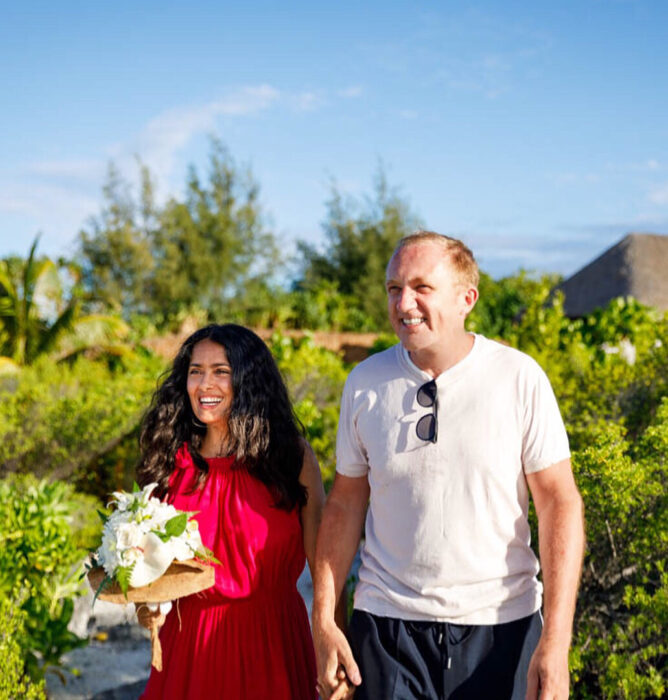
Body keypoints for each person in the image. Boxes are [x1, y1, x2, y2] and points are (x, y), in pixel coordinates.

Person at [312, 231, 585, 700]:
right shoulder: (365, 382)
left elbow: (560, 504)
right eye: (394, 288)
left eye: (422, 287)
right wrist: (323, 621)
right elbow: (343, 504)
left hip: (501, 626)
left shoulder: (518, 378)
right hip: (386, 629)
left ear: (466, 299)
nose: (404, 303)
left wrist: (556, 643)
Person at [135, 323, 325, 700]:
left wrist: (334, 637)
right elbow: (151, 570)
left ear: (248, 379)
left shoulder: (291, 457)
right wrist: (146, 606)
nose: (205, 384)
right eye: (196, 372)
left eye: (221, 371)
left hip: (273, 644)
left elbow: (325, 567)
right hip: (190, 651)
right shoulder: (169, 464)